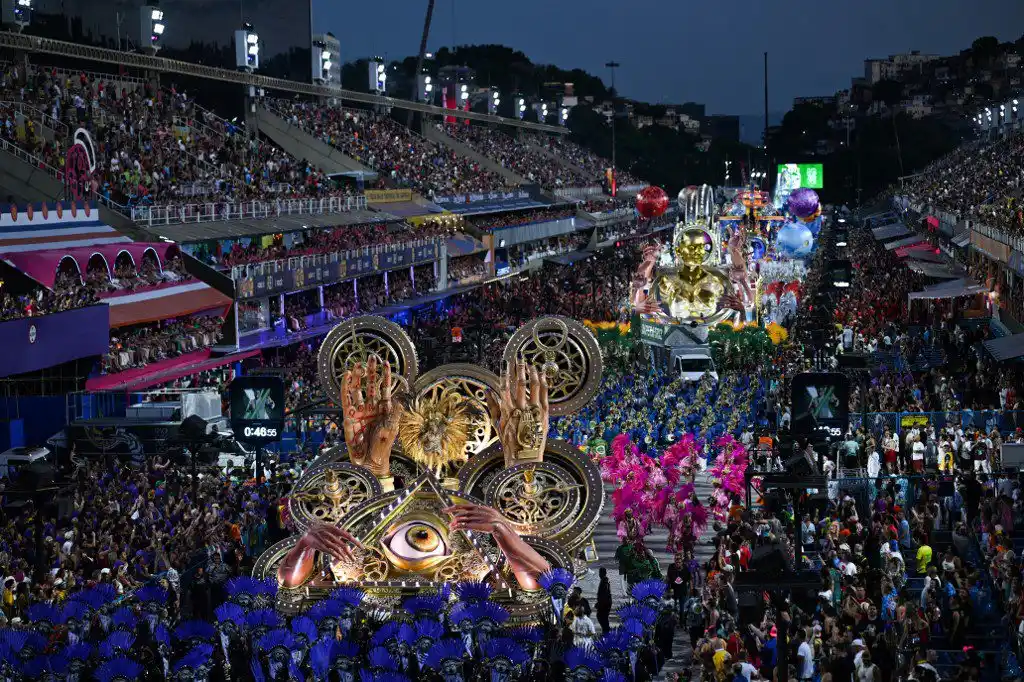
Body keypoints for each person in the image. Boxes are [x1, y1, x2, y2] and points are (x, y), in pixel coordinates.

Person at [666, 552, 690, 620]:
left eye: (679, 561)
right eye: (676, 560)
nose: (677, 563)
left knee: (682, 608)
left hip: (682, 590)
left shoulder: (685, 567)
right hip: (673, 590)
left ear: (682, 561)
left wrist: (690, 589)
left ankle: (682, 622)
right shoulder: (671, 566)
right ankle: (672, 622)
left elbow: (689, 579)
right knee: (672, 606)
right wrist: (667, 589)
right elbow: (668, 578)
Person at [596, 566, 612, 634]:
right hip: (605, 603)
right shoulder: (604, 580)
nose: (599, 574)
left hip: (605, 603)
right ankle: (605, 631)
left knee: (602, 617)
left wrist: (600, 603)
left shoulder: (605, 581)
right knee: (602, 617)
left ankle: (606, 632)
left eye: (600, 573)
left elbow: (604, 594)